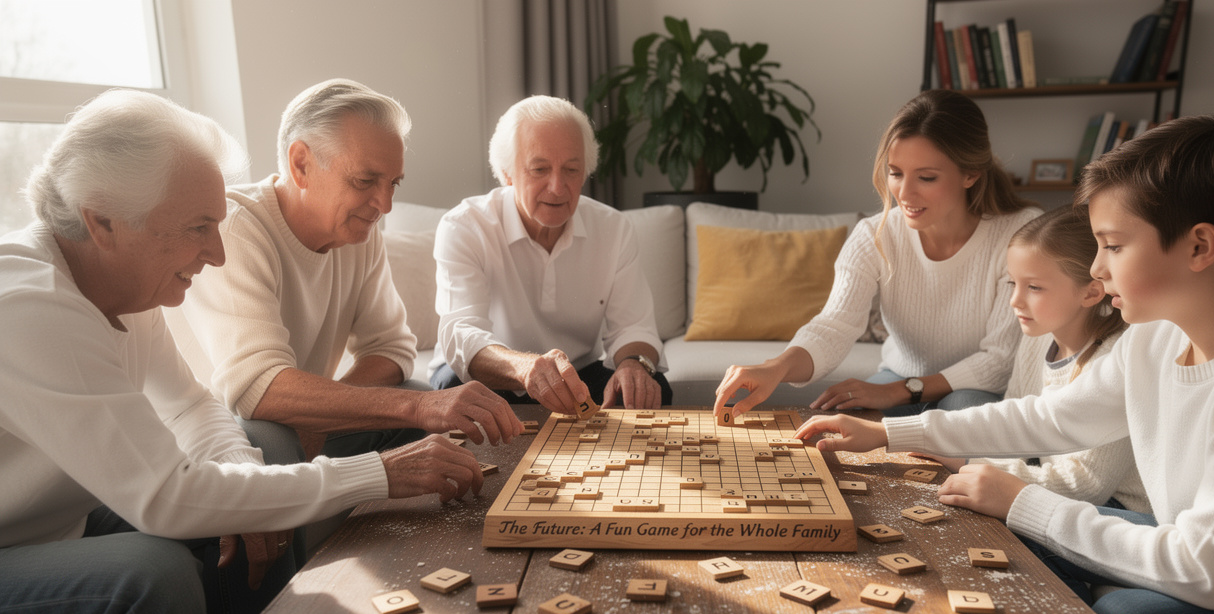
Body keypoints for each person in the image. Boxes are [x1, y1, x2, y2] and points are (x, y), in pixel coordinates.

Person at [0, 90, 484, 614]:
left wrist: (250, 484)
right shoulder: (30, 308)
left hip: (48, 523)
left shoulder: (119, 289)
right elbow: (164, 497)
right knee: (148, 574)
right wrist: (379, 473)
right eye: (199, 227)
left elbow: (194, 408)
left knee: (231, 501)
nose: (217, 253)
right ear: (103, 224)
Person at [796, 114, 1214, 614]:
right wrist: (889, 435)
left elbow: (1203, 569)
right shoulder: (1160, 332)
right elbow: (1053, 417)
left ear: (1200, 246)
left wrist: (1022, 499)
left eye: (1112, 245)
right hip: (1203, 548)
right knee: (966, 515)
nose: (1097, 268)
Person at [171, 79, 521, 466]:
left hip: (293, 424)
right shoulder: (237, 228)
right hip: (219, 435)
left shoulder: (358, 233)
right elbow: (258, 388)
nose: (384, 205)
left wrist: (323, 421)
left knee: (414, 395)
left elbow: (391, 349)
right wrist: (416, 407)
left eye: (393, 183)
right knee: (276, 439)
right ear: (300, 164)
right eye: (365, 180)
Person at [713, 90, 1040, 419]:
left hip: (973, 389)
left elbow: (999, 361)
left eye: (926, 177)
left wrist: (900, 391)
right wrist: (776, 368)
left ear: (971, 174)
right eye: (896, 173)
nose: (904, 193)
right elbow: (835, 326)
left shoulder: (1019, 235)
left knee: (959, 428)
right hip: (897, 381)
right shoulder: (874, 234)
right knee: (831, 434)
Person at [430, 95, 671, 413]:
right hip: (493, 374)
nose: (558, 187)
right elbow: (462, 335)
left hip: (576, 375)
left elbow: (634, 328)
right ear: (507, 174)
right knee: (455, 390)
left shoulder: (614, 228)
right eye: (540, 169)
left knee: (649, 389)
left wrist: (633, 365)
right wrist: (524, 369)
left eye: (571, 170)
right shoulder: (465, 226)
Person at [918, 205, 1148, 514]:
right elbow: (1018, 418)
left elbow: (1083, 487)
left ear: (1092, 293)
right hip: (1048, 462)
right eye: (1013, 284)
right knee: (959, 402)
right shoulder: (1038, 334)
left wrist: (968, 460)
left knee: (973, 506)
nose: (1015, 301)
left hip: (1110, 506)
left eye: (1034, 287)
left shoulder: (1112, 359)